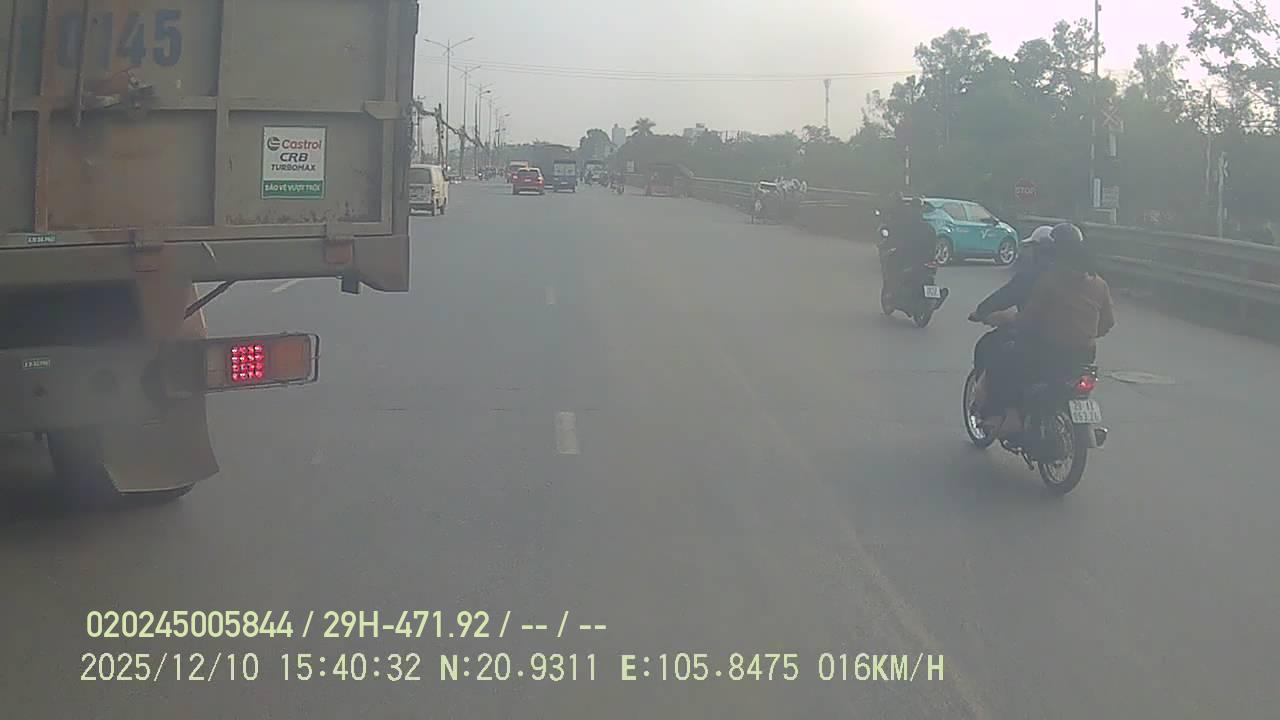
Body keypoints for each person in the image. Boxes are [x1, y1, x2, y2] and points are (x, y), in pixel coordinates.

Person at [981, 224, 1116, 434]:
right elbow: (1107, 322)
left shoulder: (1050, 281)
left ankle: (1010, 414)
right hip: (1085, 355)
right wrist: (1085, 334)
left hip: (1050, 352)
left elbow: (1029, 319)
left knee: (1006, 358)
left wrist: (1007, 319)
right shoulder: (1100, 284)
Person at [880, 197, 939, 303]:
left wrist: (887, 245)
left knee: (893, 270)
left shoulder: (905, 225)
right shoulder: (929, 228)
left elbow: (894, 238)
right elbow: (933, 246)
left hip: (908, 257)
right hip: (924, 260)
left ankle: (894, 294)